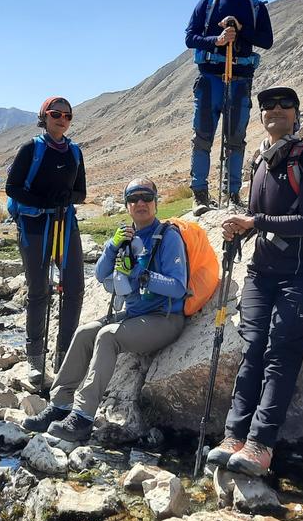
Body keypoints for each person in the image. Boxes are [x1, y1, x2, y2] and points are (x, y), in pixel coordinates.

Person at [206, 86, 303, 477]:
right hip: (262, 272)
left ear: (296, 113)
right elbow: (257, 218)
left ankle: (261, 444)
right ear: (260, 116)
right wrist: (239, 230)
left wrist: (254, 222)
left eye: (285, 105)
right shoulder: (260, 158)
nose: (276, 110)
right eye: (268, 106)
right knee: (252, 348)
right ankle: (233, 436)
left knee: (281, 352)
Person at [22, 178, 187, 443]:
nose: (140, 203)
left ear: (156, 202)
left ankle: (83, 416)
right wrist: (112, 246)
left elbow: (178, 287)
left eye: (146, 197)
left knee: (108, 336)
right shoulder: (126, 237)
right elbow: (100, 274)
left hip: (164, 318)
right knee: (85, 332)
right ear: (127, 205)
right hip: (135, 315)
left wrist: (141, 274)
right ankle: (60, 404)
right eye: (133, 199)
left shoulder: (168, 237)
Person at [185, 0, 274, 212]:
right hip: (210, 78)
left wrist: (241, 29)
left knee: (235, 139)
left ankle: (232, 194)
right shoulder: (207, 4)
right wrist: (217, 40)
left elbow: (267, 41)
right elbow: (190, 38)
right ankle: (200, 194)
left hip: (240, 80)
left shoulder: (256, 8)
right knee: (203, 136)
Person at [6, 97, 86, 391]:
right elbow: (12, 187)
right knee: (39, 291)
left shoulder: (74, 151)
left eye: (67, 115)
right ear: (44, 117)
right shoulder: (31, 149)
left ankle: (64, 356)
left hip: (65, 223)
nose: (62, 119)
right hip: (35, 225)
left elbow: (81, 192)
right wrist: (43, 201)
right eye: (56, 114)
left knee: (74, 289)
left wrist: (67, 198)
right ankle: (35, 359)